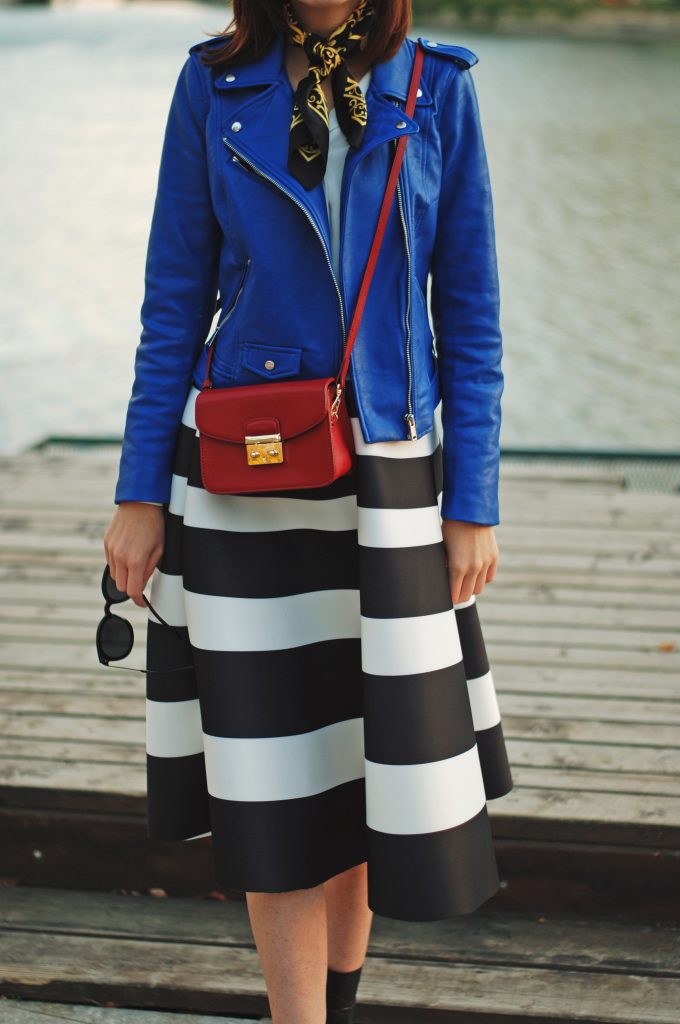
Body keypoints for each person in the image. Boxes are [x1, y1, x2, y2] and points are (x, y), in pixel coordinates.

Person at [103, 2, 513, 1022]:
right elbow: (171, 303)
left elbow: (469, 312)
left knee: (365, 775)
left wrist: (472, 501)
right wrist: (137, 492)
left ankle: (340, 1004)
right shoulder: (212, 84)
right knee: (272, 789)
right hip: (244, 480)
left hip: (387, 480)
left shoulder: (437, 89)